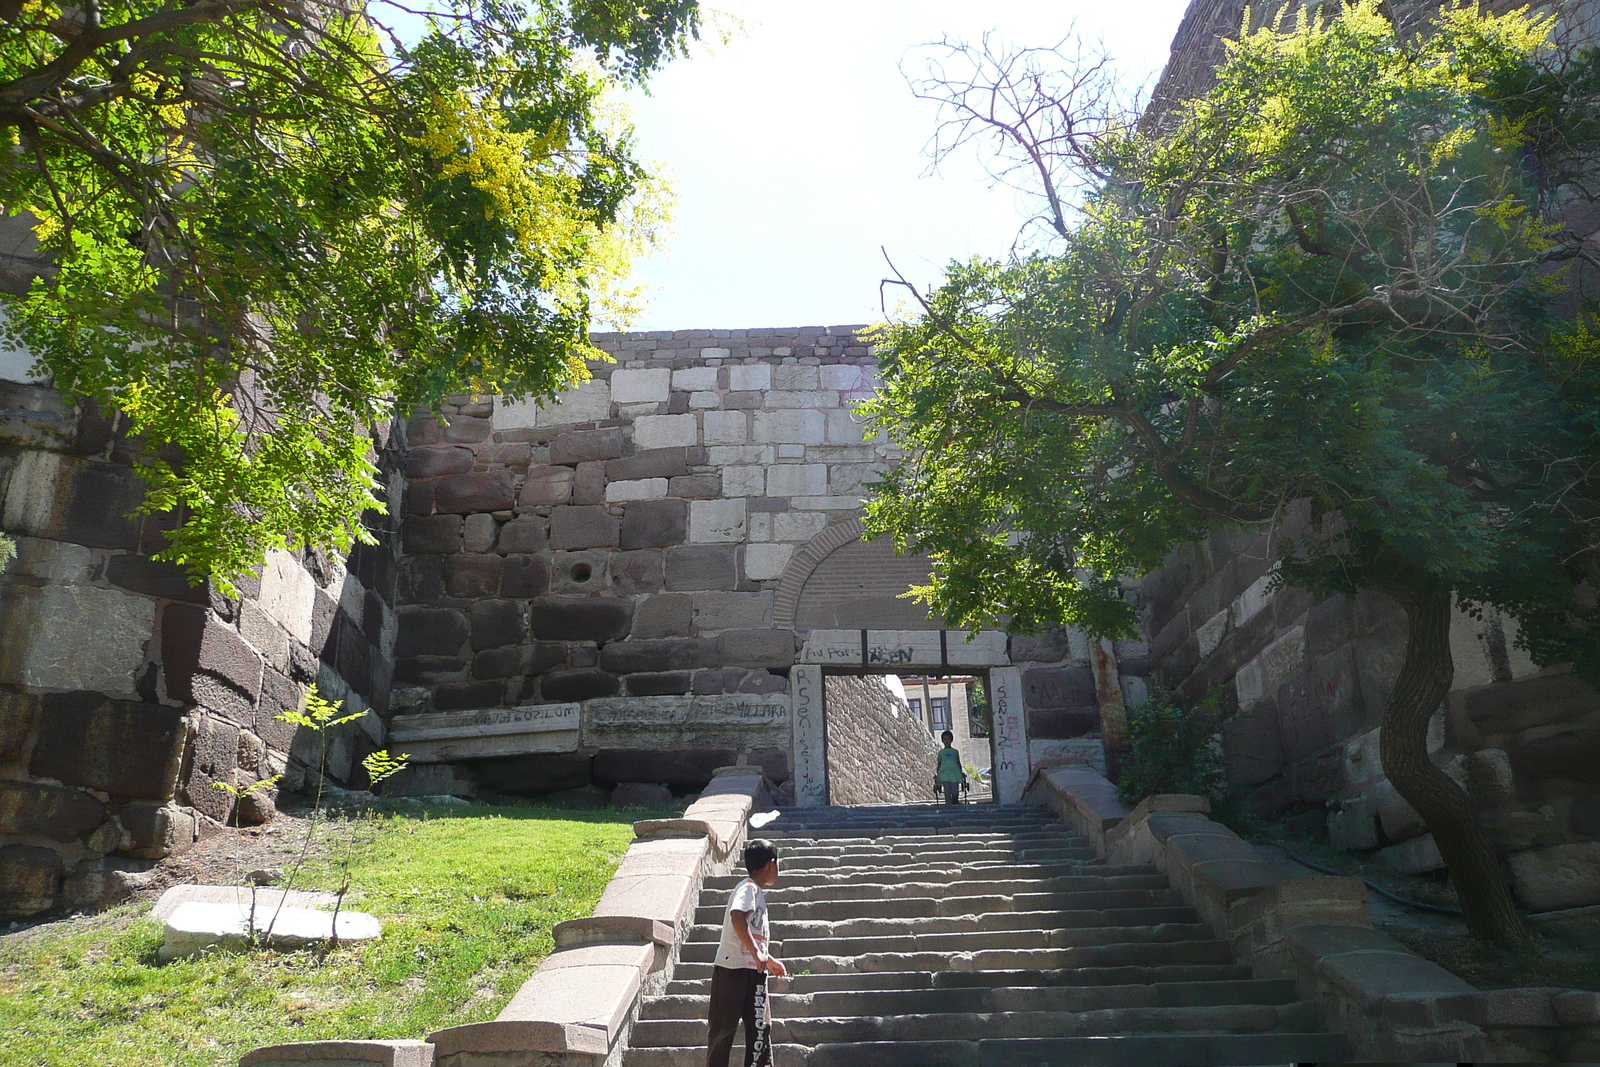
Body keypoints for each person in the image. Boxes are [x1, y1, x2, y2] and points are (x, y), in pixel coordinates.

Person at [706, 838, 786, 1067]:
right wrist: (757, 953)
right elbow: (737, 917)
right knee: (723, 1031)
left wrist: (767, 959)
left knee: (761, 1029)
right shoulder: (748, 888)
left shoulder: (756, 892)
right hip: (732, 971)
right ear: (772, 864)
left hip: (755, 971)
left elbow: (752, 932)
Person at [935, 730, 964, 805]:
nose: (946, 741)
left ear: (951, 740)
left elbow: (958, 763)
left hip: (954, 774)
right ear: (942, 740)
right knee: (947, 791)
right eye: (945, 739)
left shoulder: (955, 752)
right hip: (945, 774)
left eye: (948, 739)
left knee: (955, 792)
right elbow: (939, 763)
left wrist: (960, 773)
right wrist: (938, 773)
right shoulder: (941, 753)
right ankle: (948, 807)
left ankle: (955, 803)